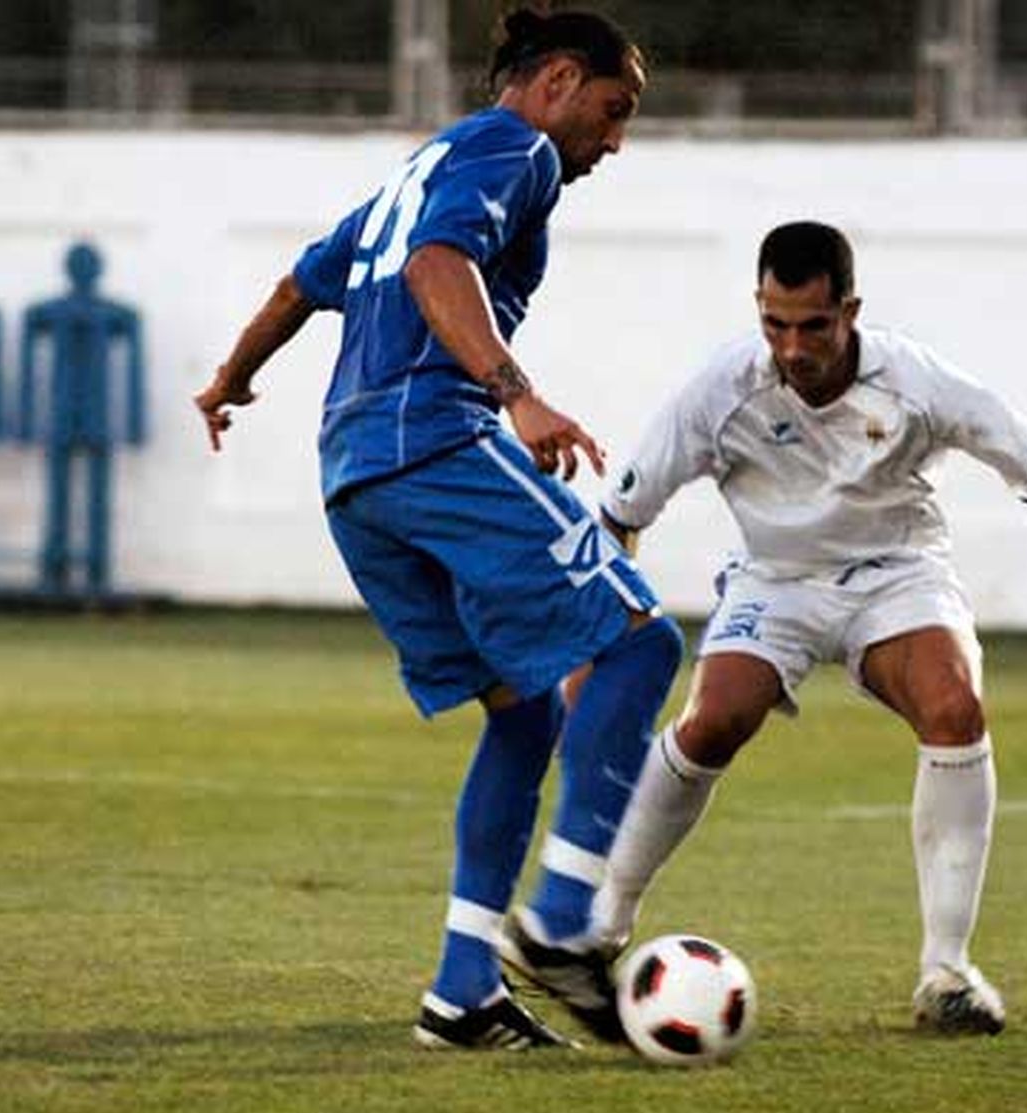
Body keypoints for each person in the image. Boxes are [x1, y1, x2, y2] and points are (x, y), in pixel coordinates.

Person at [587, 220, 1027, 1036]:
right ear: (758, 308)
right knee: (712, 720)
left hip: (898, 575)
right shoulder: (720, 389)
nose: (792, 347)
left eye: (813, 326)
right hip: (776, 581)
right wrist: (600, 638)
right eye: (774, 324)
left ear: (850, 311)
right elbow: (621, 516)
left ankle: (947, 973)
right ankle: (600, 925)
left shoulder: (918, 382)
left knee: (955, 709)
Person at [194, 8, 681, 1050]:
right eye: (613, 110)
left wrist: (231, 380)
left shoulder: (416, 170)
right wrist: (518, 394)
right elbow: (436, 265)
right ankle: (562, 920)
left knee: (523, 714)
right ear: (558, 80)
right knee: (640, 642)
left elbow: (298, 285)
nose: (614, 140)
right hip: (435, 443)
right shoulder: (517, 151)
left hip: (354, 476)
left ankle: (463, 990)